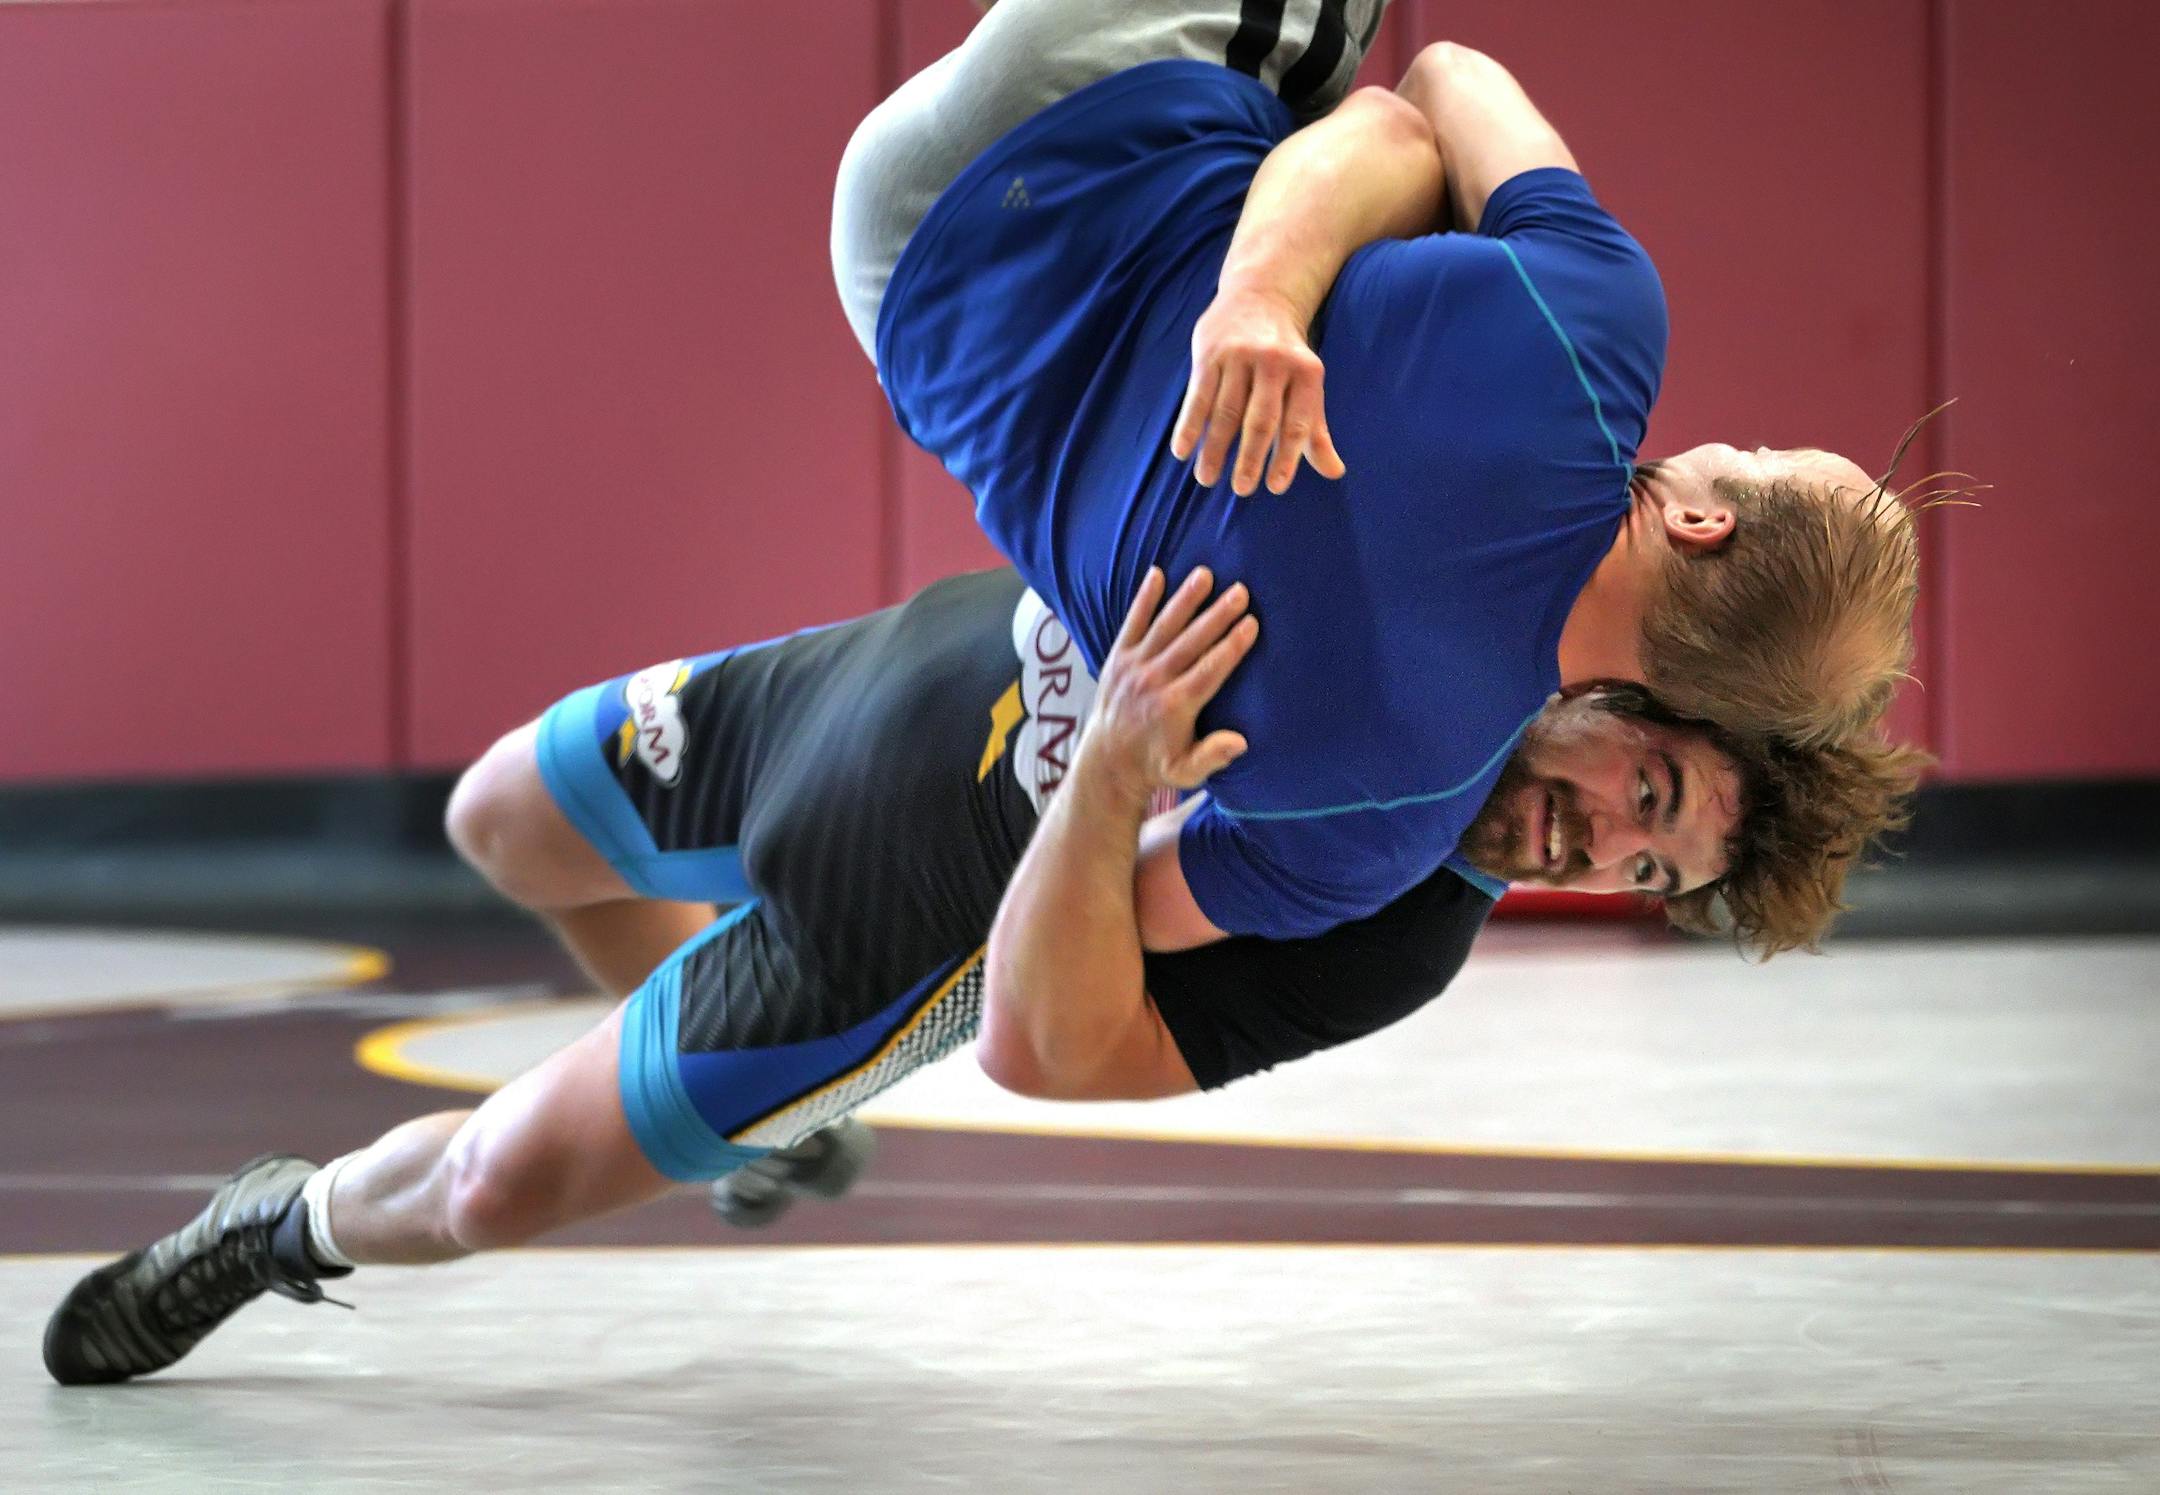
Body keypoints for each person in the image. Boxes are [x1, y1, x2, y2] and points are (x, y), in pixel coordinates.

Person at [40, 566, 1913, 1385]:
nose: (1599, 846)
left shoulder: (1399, 925)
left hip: (870, 953)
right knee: (498, 819)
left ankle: (272, 1227)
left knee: (489, 1182)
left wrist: (1105, 789)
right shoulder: (1447, 583)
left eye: (1648, 871)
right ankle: (746, 1113)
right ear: (1621, 692)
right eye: (1645, 792)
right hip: (850, 694)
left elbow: (1057, 1046)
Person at [837, 1, 1927, 957]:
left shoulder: (1595, 337)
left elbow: (1433, 88)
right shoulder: (1386, 830)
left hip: (1088, 104)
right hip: (895, 286)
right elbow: (1083, 929)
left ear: (1702, 520)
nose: (1737, 443)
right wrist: (1114, 774)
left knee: (1404, 156)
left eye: (1760, 457)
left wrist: (1262, 298)